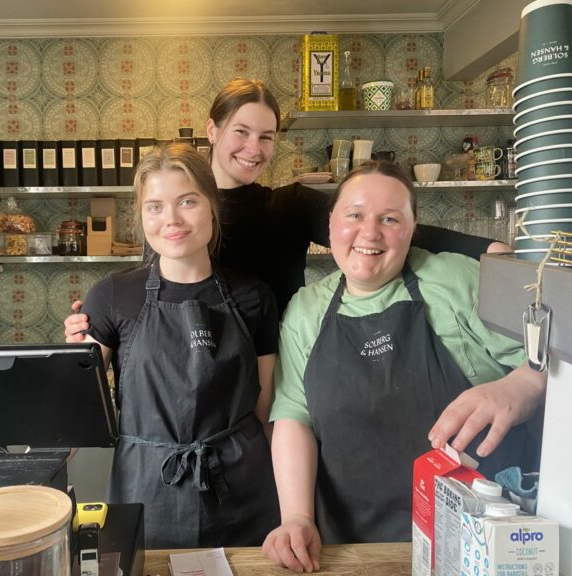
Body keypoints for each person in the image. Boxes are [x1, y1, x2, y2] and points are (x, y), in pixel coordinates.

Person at [262, 160, 546, 573]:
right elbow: (293, 416)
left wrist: (525, 384)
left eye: (390, 219)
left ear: (412, 229)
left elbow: (564, 351)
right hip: (352, 547)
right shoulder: (307, 309)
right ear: (330, 225)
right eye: (354, 215)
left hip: (477, 545)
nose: (369, 232)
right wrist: (297, 518)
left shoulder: (456, 280)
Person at [65, 79, 508, 339]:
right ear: (213, 130)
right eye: (242, 132)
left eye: (267, 137)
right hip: (184, 380)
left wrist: (490, 250)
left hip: (274, 372)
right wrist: (95, 329)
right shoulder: (176, 215)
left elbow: (385, 229)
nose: (254, 149)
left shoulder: (289, 205)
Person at [76, 142, 280, 548]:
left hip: (242, 486)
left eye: (187, 201)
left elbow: (266, 408)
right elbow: (79, 404)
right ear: (141, 215)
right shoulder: (113, 295)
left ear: (212, 206)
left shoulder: (254, 295)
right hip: (145, 489)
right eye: (154, 207)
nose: (171, 219)